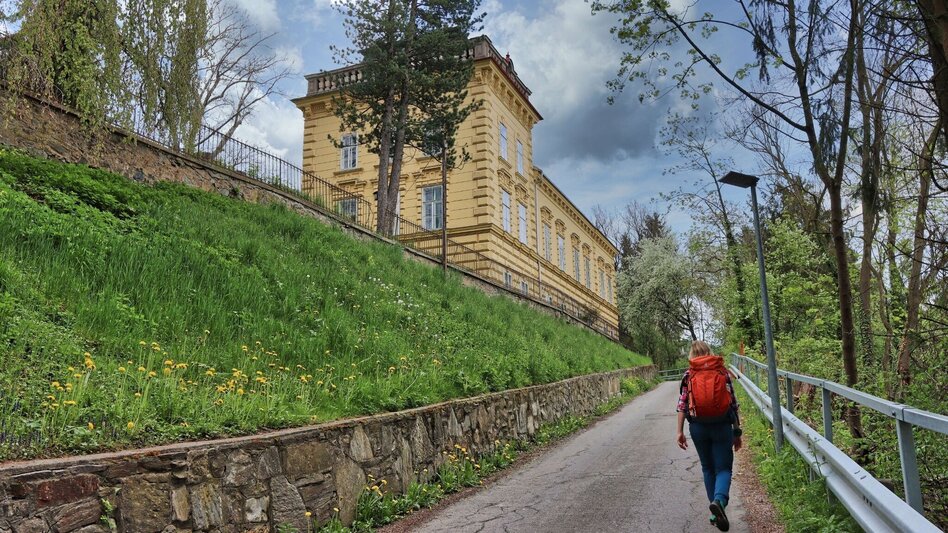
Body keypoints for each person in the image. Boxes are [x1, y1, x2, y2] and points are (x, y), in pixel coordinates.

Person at [676, 341, 742, 532]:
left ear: (691, 355)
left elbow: (682, 405)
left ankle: (715, 512)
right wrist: (736, 432)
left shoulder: (689, 374)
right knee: (723, 469)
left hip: (698, 427)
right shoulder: (721, 372)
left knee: (707, 468)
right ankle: (719, 502)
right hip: (722, 425)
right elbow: (732, 404)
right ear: (709, 352)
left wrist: (679, 431)